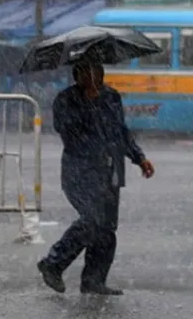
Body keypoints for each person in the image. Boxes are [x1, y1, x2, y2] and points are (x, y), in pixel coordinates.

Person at [37, 58, 155, 296]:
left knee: (107, 228)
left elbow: (121, 131)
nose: (93, 77)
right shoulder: (66, 99)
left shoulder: (111, 96)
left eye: (97, 71)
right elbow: (66, 131)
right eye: (87, 73)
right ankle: (53, 262)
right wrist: (88, 105)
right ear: (77, 76)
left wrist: (138, 157)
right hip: (80, 169)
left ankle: (94, 280)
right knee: (91, 220)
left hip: (112, 168)